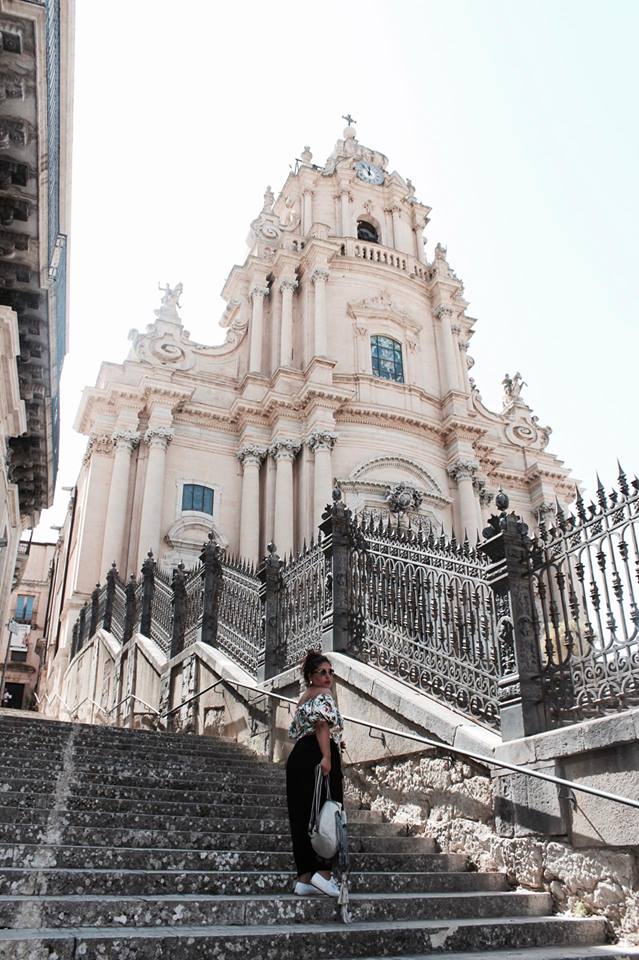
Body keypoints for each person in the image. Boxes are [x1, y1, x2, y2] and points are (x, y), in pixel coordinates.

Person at [286, 648, 344, 897]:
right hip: (317, 754)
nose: (328, 677)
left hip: (299, 756)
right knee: (326, 810)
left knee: (302, 816)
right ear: (311, 675)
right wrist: (328, 756)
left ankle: (304, 878)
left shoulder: (303, 698)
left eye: (330, 672)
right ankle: (324, 874)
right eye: (322, 672)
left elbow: (302, 730)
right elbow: (321, 725)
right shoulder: (324, 695)